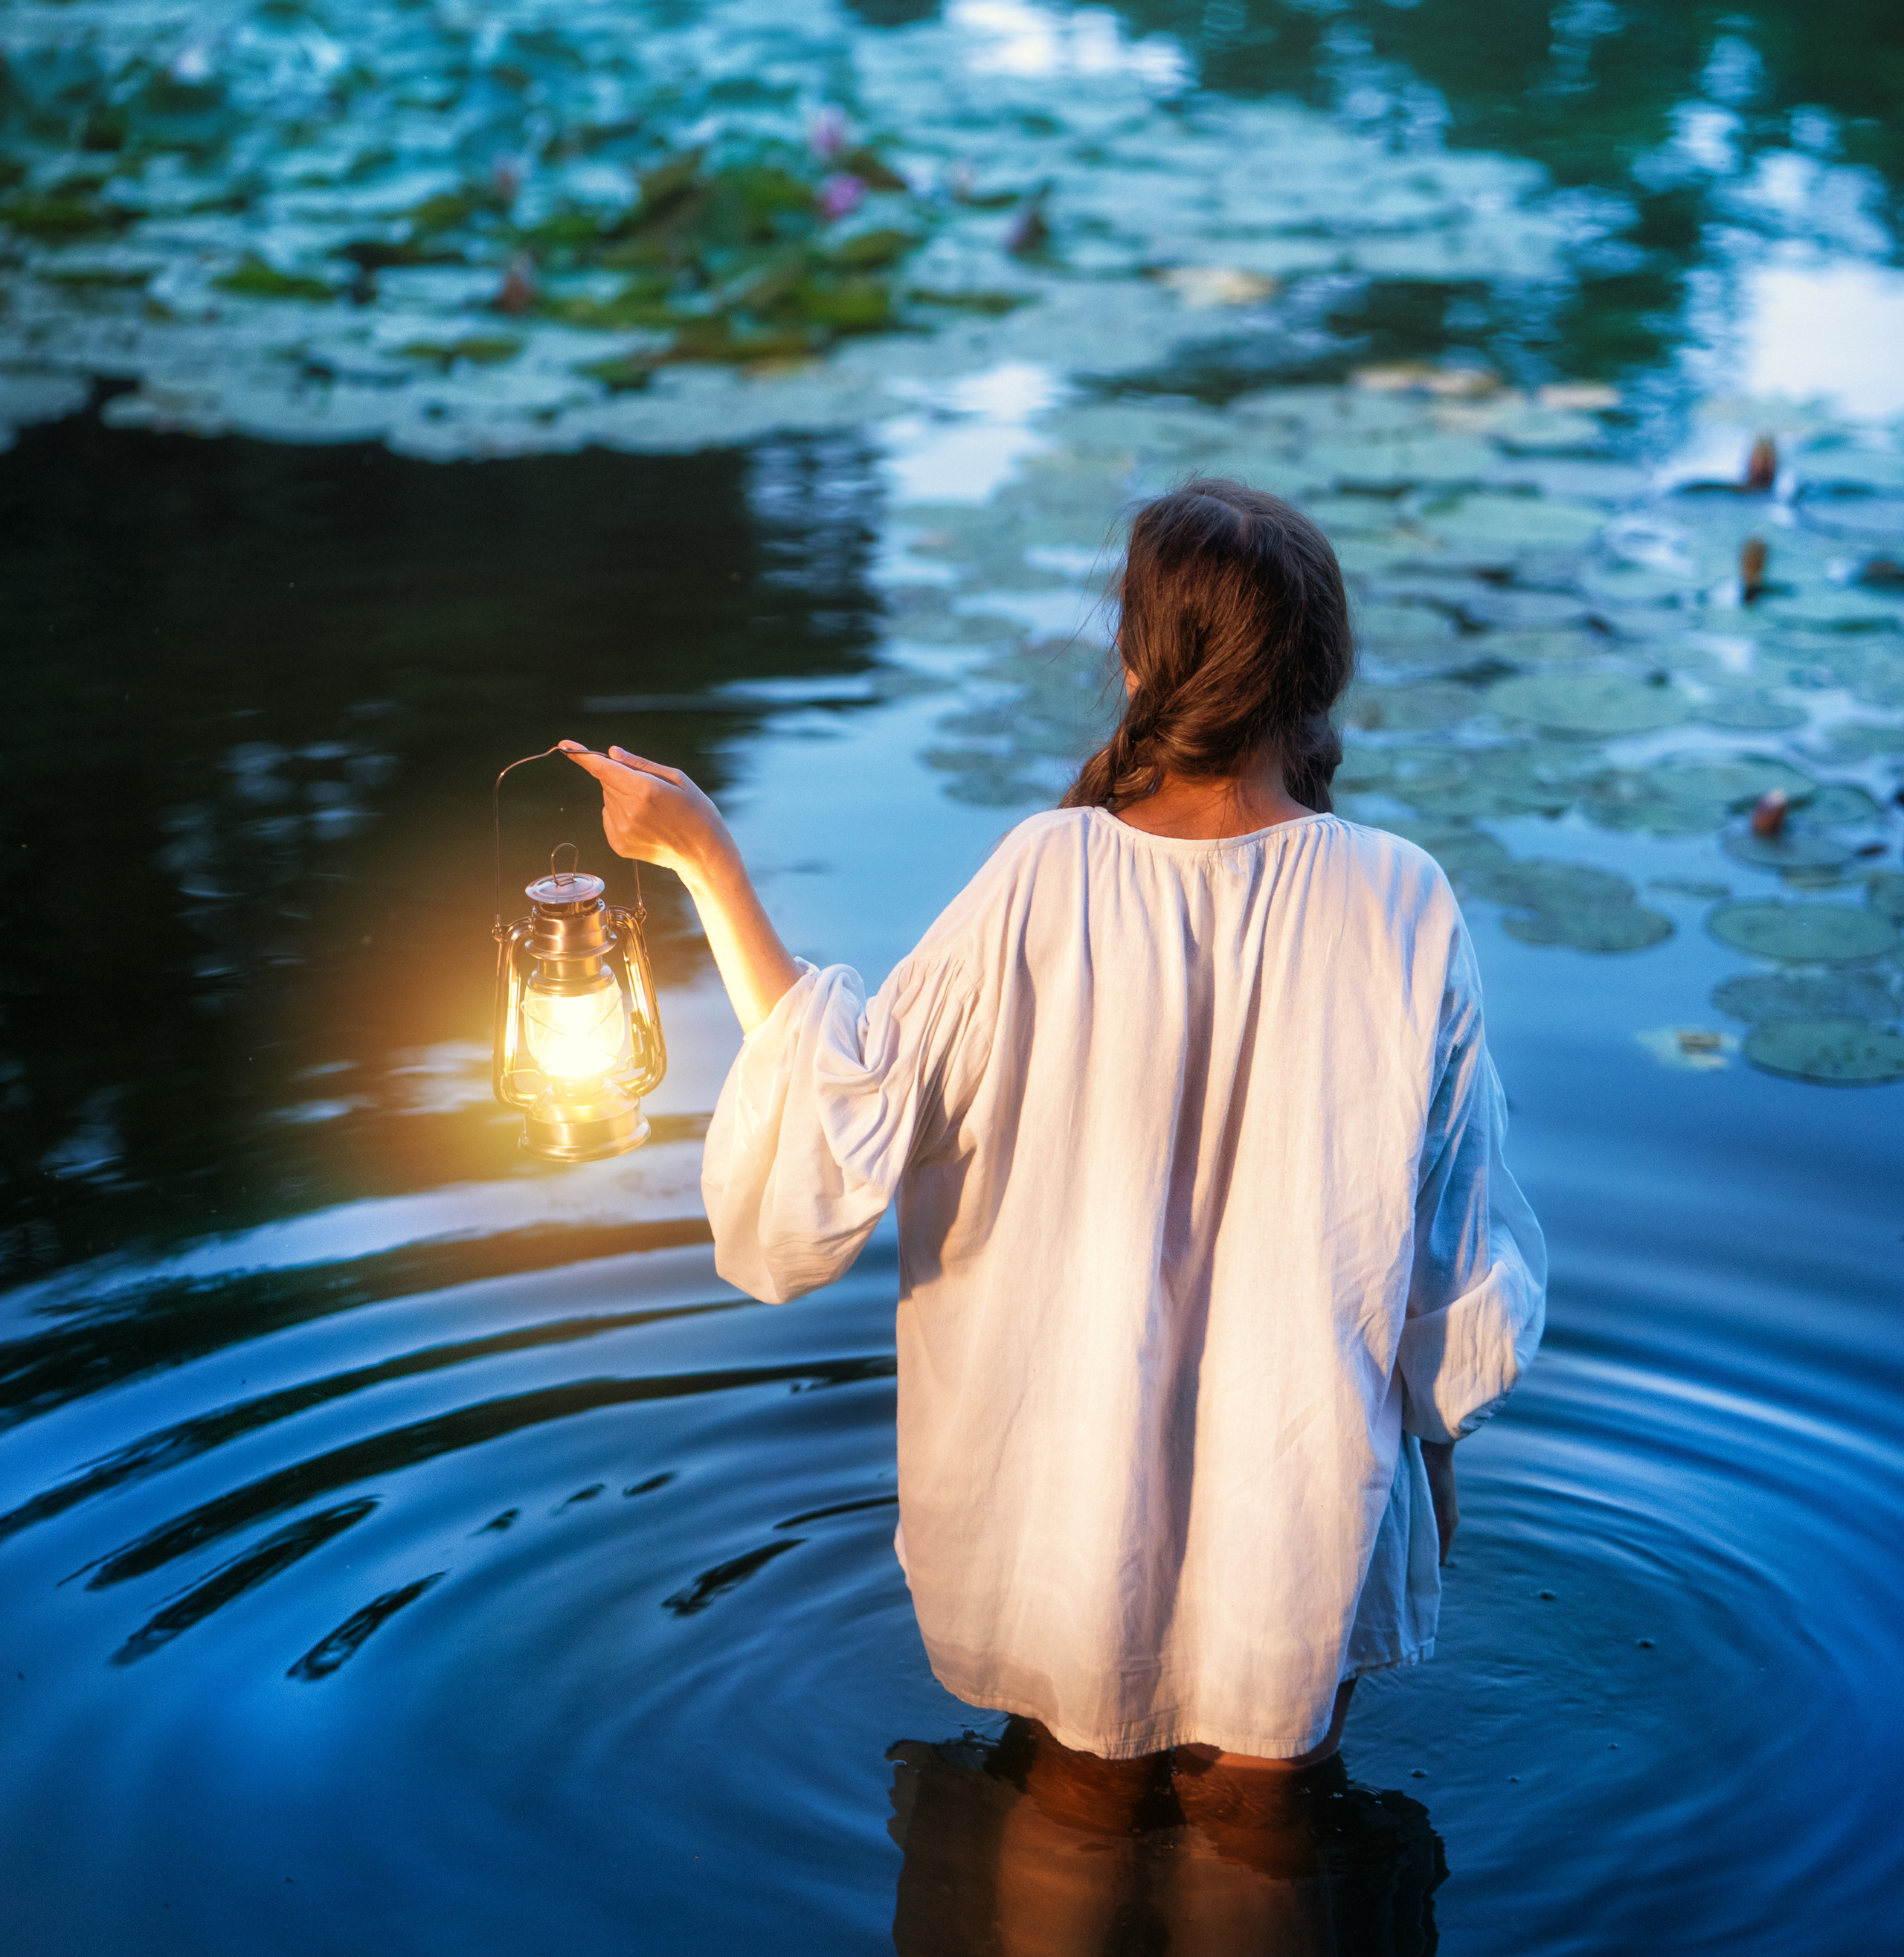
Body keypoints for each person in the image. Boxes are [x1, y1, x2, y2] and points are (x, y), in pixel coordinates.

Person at [560, 476, 1545, 1774]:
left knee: (1070, 1835)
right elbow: (1450, 1240)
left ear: (1140, 659)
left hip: (1068, 1516)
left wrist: (706, 862)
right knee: (1267, 1857)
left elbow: (835, 1115)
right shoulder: (1403, 902)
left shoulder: (1045, 875)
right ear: (1321, 675)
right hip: (1306, 1507)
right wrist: (1434, 1460)